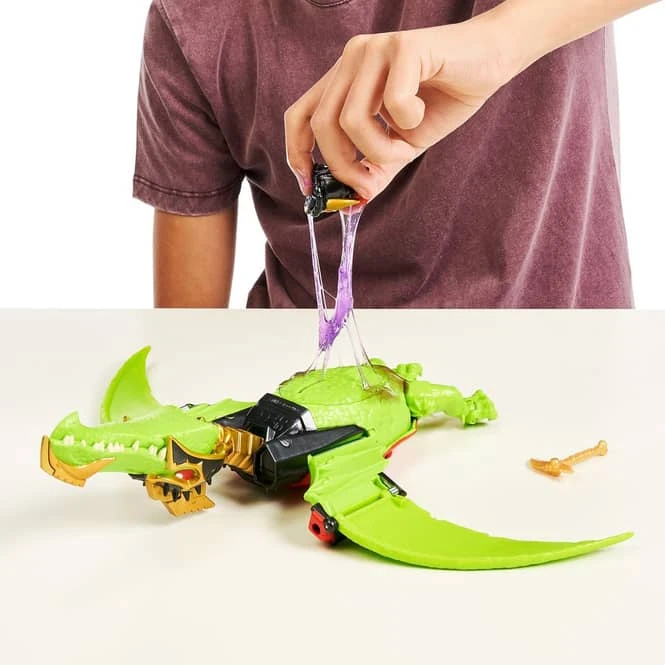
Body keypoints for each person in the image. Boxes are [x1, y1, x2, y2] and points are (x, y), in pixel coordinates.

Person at [133, 0, 658, 309]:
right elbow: (186, 341)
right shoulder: (190, 20)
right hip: (304, 389)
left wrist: (497, 43)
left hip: (561, 373)